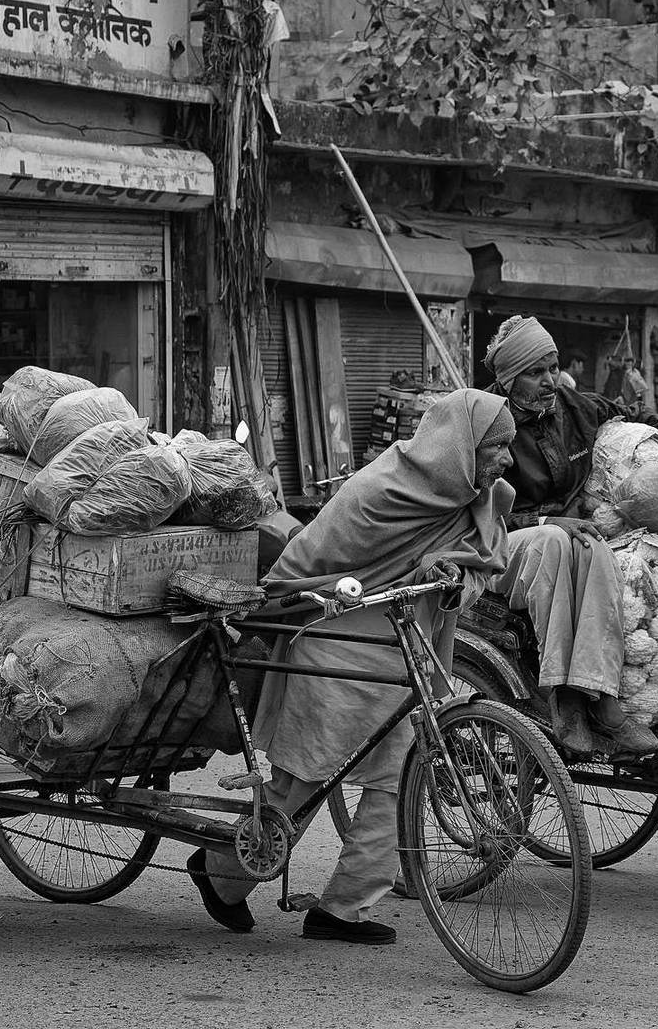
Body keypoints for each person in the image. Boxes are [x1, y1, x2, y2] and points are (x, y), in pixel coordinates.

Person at [186, 388, 515, 944]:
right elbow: (301, 566)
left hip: (403, 650)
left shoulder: (476, 497)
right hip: (337, 648)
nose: (506, 459)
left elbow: (488, 560)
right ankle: (221, 874)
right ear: (460, 447)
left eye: (507, 446)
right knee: (307, 781)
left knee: (395, 781)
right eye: (496, 446)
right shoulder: (377, 492)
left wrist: (457, 577)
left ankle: (342, 908)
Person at [482, 314, 658, 756]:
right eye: (535, 372)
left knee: (593, 545)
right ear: (508, 379)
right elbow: (471, 512)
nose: (549, 380)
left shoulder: (574, 406)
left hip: (570, 540)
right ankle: (563, 696)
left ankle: (600, 698)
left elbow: (639, 415)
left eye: (552, 367)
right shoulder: (484, 420)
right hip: (497, 546)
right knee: (557, 541)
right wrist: (546, 523)